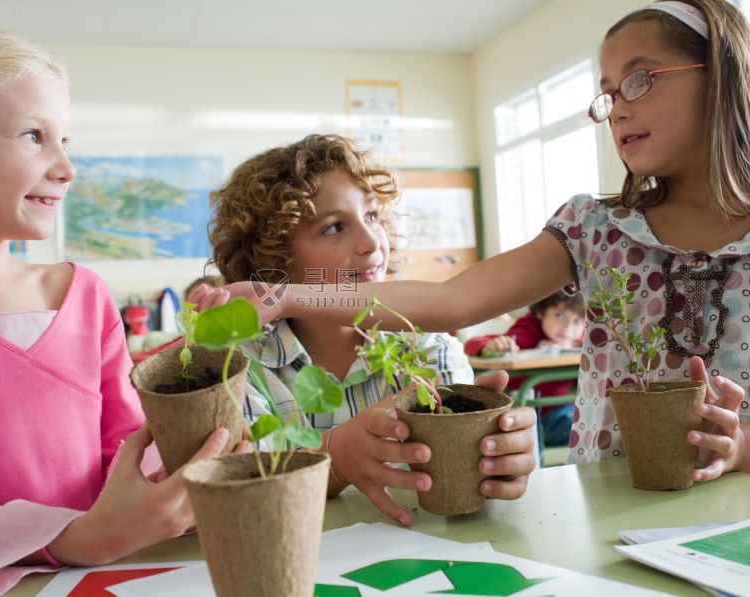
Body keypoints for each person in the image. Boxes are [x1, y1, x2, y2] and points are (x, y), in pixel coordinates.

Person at [197, 0, 750, 481]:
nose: (617, 107)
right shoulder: (595, 229)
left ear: (722, 74)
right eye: (606, 94)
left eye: (639, 79)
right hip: (611, 509)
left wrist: (740, 448)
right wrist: (285, 296)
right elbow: (451, 301)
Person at [0, 22, 246, 596]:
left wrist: (190, 456)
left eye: (67, 141)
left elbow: (127, 443)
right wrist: (72, 538)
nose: (66, 166)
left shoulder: (83, 294)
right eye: (33, 136)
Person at [200, 133, 537, 526]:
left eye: (373, 216)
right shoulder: (239, 366)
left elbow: (459, 492)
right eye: (332, 228)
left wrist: (494, 458)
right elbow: (242, 485)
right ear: (275, 257)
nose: (371, 242)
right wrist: (335, 456)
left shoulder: (428, 347)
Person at [464, 290, 585, 447]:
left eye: (577, 321)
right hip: (530, 416)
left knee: (592, 424)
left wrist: (569, 347)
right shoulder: (526, 332)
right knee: (582, 428)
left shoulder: (578, 342)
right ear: (542, 312)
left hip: (563, 408)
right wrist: (492, 347)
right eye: (559, 315)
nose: (567, 328)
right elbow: (473, 342)